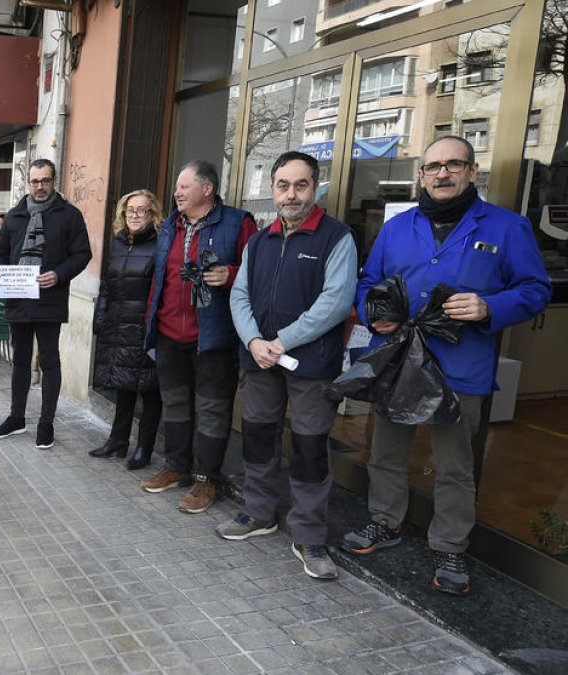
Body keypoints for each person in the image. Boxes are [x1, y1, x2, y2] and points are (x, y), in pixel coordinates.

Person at [340, 136, 551, 595]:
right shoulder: (399, 227)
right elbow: (369, 281)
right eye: (433, 166)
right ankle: (385, 522)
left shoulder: (506, 227)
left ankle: (451, 544)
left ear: (472, 172)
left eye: (453, 164)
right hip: (398, 358)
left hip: (462, 364)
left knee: (455, 464)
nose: (442, 173)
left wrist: (490, 306)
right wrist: (376, 314)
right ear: (421, 176)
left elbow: (536, 289)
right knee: (387, 451)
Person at [217, 151, 358, 581]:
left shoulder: (336, 238)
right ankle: (259, 514)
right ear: (272, 189)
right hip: (260, 360)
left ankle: (309, 535)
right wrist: (255, 341)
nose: (291, 194)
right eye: (283, 185)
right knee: (258, 439)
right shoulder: (259, 241)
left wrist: (281, 341)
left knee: (311, 449)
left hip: (311, 365)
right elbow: (238, 296)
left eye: (300, 185)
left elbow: (335, 303)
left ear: (315, 188)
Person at [140, 161, 257, 514]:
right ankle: (176, 465)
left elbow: (259, 271)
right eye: (177, 187)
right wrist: (152, 325)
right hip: (168, 333)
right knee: (174, 403)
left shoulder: (238, 222)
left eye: (183, 187)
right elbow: (160, 278)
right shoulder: (169, 226)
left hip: (214, 336)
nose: (176, 193)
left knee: (211, 409)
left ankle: (207, 479)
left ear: (207, 189)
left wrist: (232, 273)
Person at [0, 159, 92, 448]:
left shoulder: (70, 215)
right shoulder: (14, 216)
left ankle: (46, 424)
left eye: (45, 180)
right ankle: (16, 418)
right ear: (27, 183)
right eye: (34, 181)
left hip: (50, 298)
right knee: (20, 360)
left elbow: (82, 254)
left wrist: (59, 275)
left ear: (54, 180)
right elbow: (2, 251)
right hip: (17, 296)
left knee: (49, 360)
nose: (40, 186)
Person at [89, 190, 164, 463]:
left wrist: (154, 328)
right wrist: (100, 318)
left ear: (152, 214)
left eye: (141, 210)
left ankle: (144, 447)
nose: (134, 215)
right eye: (129, 210)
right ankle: (117, 441)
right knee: (123, 386)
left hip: (145, 327)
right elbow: (107, 286)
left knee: (149, 390)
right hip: (118, 325)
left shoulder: (160, 244)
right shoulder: (119, 244)